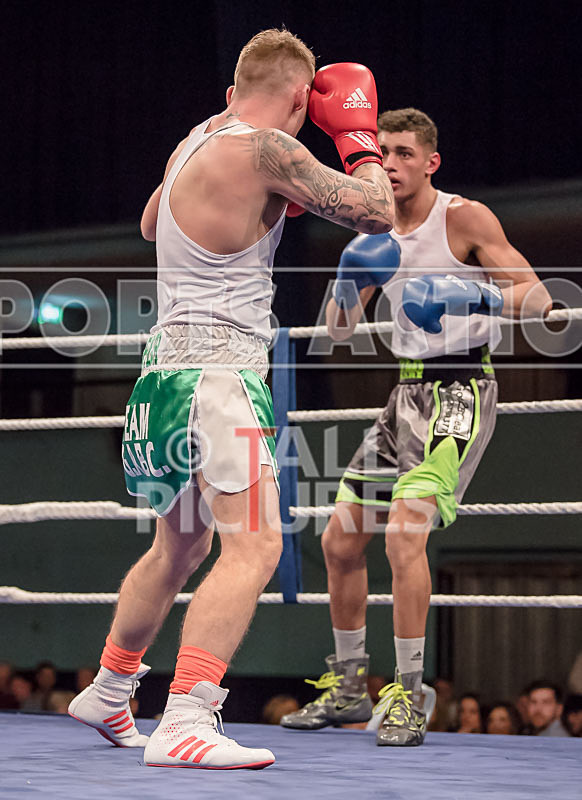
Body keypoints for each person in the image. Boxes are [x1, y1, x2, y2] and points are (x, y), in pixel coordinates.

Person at [68, 29, 393, 770]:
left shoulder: (196, 139)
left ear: (233, 90)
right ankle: (187, 714)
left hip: (162, 375)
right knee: (257, 544)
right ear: (299, 102)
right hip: (219, 375)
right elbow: (375, 210)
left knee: (181, 544)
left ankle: (112, 688)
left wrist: (266, 200)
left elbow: (153, 223)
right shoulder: (267, 148)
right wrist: (359, 136)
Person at [281, 107, 552, 746]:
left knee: (405, 537)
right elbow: (340, 332)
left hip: (462, 389)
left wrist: (470, 294)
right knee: (340, 543)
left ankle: (407, 694)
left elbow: (541, 301)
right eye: (383, 152)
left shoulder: (464, 218)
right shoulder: (371, 230)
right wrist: (349, 276)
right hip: (404, 392)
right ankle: (349, 688)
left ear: (430, 162)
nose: (392, 164)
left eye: (404, 153)